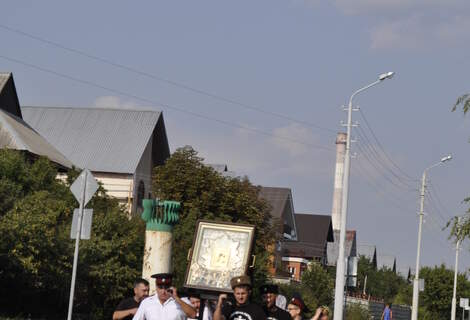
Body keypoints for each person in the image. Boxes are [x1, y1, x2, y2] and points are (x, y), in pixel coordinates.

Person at [133, 273, 197, 320]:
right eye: (160, 288)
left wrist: (177, 298)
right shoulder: (147, 302)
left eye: (166, 288)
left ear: (171, 286)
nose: (163, 291)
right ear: (156, 287)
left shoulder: (182, 301)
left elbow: (193, 315)